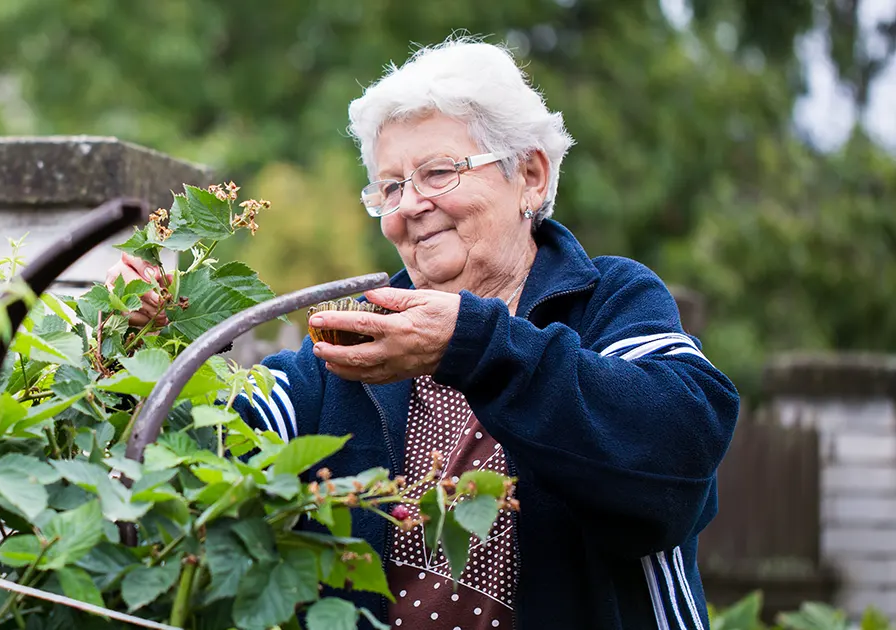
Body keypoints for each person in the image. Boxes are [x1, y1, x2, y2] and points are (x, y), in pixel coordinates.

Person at [108, 37, 739, 630]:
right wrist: (152, 343)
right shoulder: (358, 340)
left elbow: (677, 454)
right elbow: (218, 445)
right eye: (389, 186)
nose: (408, 206)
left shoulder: (611, 302)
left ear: (531, 176)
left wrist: (472, 344)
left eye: (439, 173)